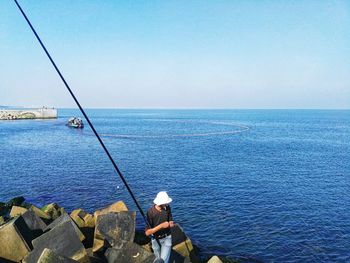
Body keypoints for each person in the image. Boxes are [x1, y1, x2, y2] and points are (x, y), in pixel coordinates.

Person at [145, 191, 175, 263]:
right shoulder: (150, 212)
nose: (167, 204)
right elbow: (147, 233)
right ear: (160, 203)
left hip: (167, 238)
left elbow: (170, 219)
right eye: (166, 202)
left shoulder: (167, 207)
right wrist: (161, 226)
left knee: (163, 261)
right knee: (157, 261)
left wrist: (171, 223)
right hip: (155, 239)